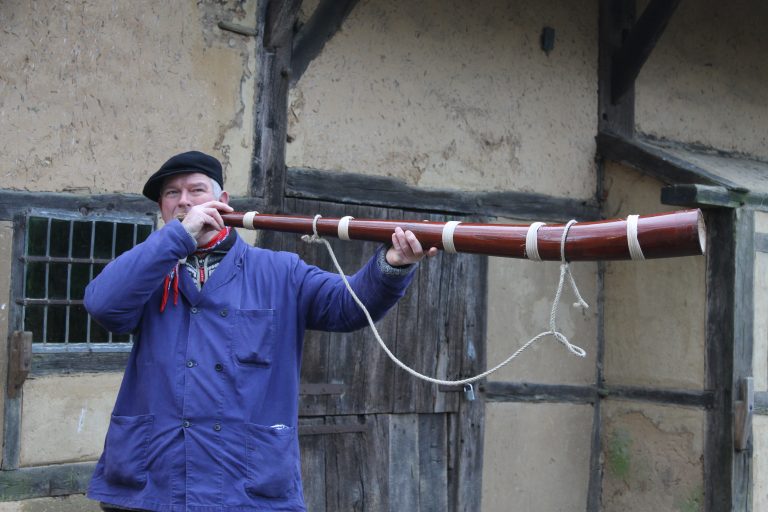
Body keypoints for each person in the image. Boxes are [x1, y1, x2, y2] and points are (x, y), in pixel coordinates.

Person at [84, 151, 436, 511]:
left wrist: (392, 265)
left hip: (246, 486)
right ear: (163, 208)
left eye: (196, 190)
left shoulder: (281, 271)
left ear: (222, 202)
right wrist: (177, 238)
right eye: (172, 193)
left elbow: (348, 306)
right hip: (152, 486)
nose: (185, 201)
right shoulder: (146, 272)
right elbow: (102, 305)